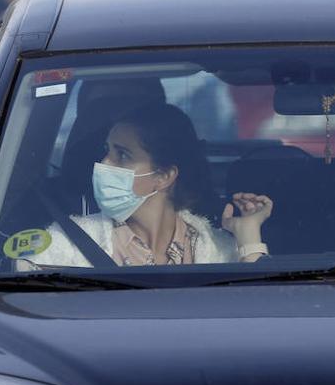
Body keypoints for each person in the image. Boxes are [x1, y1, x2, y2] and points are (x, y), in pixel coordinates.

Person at [30, 102, 273, 267]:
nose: (104, 163)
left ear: (164, 176)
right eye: (107, 150)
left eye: (122, 154)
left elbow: (258, 318)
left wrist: (248, 234)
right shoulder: (65, 247)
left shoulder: (220, 251)